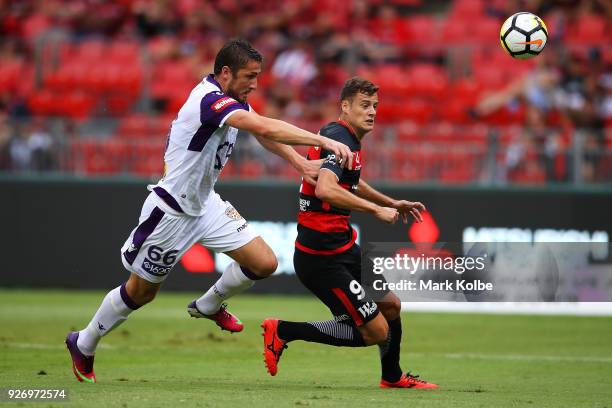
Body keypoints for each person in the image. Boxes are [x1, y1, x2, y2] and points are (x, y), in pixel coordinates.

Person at [65, 39, 353, 383]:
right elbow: (263, 127)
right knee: (140, 293)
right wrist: (324, 141)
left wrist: (298, 163)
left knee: (263, 262)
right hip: (172, 212)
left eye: (258, 76)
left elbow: (260, 129)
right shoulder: (208, 100)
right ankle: (83, 342)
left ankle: (209, 305)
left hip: (205, 204)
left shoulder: (231, 100)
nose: (255, 84)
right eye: (250, 76)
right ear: (226, 73)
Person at [261, 77, 438, 389]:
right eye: (364, 105)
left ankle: (392, 377)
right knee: (375, 331)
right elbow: (328, 189)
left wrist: (391, 201)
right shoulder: (339, 138)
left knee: (391, 305)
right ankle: (284, 330)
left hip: (344, 248)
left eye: (374, 106)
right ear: (345, 106)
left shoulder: (345, 139)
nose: (371, 112)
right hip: (322, 259)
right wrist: (375, 211)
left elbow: (350, 181)